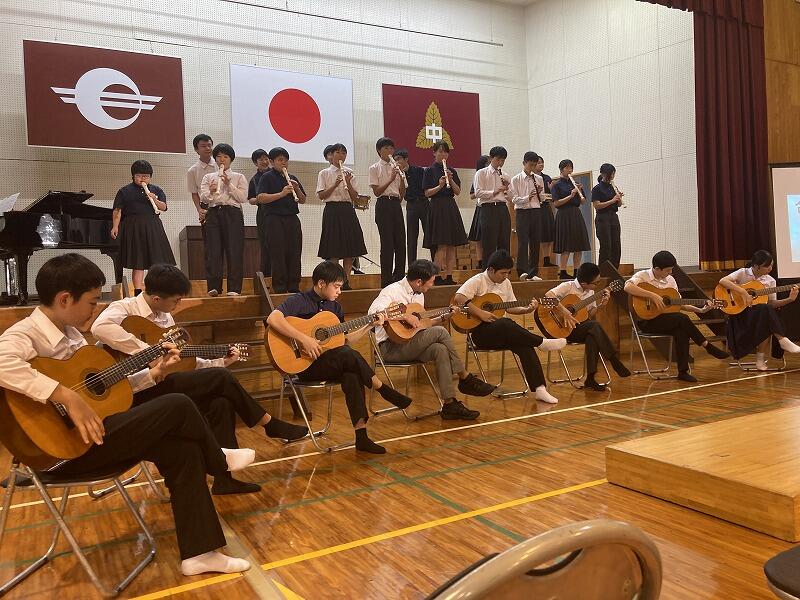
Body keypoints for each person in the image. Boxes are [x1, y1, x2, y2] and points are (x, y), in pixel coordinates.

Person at [0, 254, 253, 576]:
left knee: (182, 449)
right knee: (177, 404)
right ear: (65, 299)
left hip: (96, 434)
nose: (95, 310)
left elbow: (107, 390)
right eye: (92, 302)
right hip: (61, 451)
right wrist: (63, 394)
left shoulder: (73, 336)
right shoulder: (24, 334)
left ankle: (199, 553)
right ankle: (217, 459)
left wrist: (154, 373)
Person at [91, 263, 308, 494]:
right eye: (175, 301)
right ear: (156, 298)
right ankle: (268, 423)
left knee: (221, 402)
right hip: (133, 391)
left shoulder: (165, 317)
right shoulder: (125, 307)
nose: (177, 306)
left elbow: (182, 361)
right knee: (221, 378)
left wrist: (222, 361)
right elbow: (100, 327)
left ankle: (224, 480)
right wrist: (147, 352)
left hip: (163, 384)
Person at [266, 261, 414, 454]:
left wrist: (370, 325)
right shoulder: (299, 300)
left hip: (330, 363)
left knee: (351, 373)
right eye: (336, 287)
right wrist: (304, 339)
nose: (339, 292)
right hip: (304, 365)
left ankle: (361, 437)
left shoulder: (335, 308)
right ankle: (382, 389)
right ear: (321, 283)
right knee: (347, 356)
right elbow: (273, 318)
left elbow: (346, 340)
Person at [367, 259, 496, 419]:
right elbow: (373, 313)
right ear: (419, 282)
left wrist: (443, 317)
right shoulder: (392, 291)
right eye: (431, 282)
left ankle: (449, 404)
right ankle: (465, 377)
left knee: (439, 349)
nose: (432, 285)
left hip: (410, 343)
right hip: (390, 348)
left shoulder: (419, 296)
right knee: (440, 332)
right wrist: (405, 316)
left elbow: (421, 325)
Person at [454, 250, 564, 404]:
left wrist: (526, 310)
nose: (506, 276)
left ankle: (540, 389)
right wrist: (480, 313)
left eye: (508, 273)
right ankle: (541, 342)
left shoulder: (506, 283)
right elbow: (459, 297)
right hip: (480, 334)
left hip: (502, 332)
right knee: (505, 323)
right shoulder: (477, 280)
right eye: (502, 273)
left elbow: (510, 307)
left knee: (525, 345)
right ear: (491, 270)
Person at [624, 250, 730, 382]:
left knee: (681, 331)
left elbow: (679, 303)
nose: (670, 272)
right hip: (646, 321)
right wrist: (652, 295)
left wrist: (701, 310)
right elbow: (627, 287)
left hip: (666, 320)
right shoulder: (643, 276)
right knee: (682, 318)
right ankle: (707, 345)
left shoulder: (670, 280)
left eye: (671, 269)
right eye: (667, 270)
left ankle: (683, 372)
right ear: (657, 269)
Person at [545, 262, 631, 391]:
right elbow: (548, 295)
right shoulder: (567, 286)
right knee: (594, 327)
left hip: (578, 328)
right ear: (584, 283)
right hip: (561, 328)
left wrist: (601, 305)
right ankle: (613, 359)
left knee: (592, 335)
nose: (597, 285)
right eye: (596, 283)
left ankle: (590, 378)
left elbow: (589, 315)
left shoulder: (591, 292)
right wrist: (565, 312)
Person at [718, 249, 800, 370]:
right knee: (765, 312)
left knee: (765, 311)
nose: (770, 269)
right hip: (740, 315)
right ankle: (781, 340)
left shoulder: (770, 280)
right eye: (767, 266)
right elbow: (722, 281)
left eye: (772, 265)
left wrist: (790, 299)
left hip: (759, 315)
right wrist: (743, 292)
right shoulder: (743, 273)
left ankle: (762, 358)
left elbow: (771, 304)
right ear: (756, 266)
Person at [111, 160, 175, 296]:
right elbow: (117, 210)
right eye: (139, 176)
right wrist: (115, 226)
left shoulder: (156, 190)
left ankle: (155, 290)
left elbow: (164, 207)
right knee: (138, 262)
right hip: (133, 227)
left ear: (150, 177)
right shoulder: (124, 191)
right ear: (133, 176)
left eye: (146, 176)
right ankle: (138, 292)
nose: (142, 179)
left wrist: (154, 199)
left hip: (153, 226)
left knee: (156, 261)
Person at [254, 147, 306, 293]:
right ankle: (280, 287)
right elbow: (261, 198)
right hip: (274, 219)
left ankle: (294, 285)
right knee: (278, 253)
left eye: (286, 160)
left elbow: (303, 200)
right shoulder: (267, 177)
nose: (284, 163)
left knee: (295, 252)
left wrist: (297, 189)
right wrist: (282, 194)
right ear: (272, 162)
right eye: (280, 160)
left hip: (292, 219)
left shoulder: (292, 177)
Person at [317, 143, 367, 290]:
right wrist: (335, 183)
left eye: (344, 153)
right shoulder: (324, 173)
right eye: (338, 152)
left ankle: (345, 281)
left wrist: (348, 183)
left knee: (350, 250)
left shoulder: (350, 172)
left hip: (347, 210)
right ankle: (334, 282)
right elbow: (321, 195)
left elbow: (355, 197)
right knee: (334, 249)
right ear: (331, 155)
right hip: (332, 210)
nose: (341, 155)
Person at [200, 144, 247, 297]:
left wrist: (229, 184)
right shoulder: (208, 177)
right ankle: (214, 286)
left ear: (231, 159)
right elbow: (203, 198)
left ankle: (234, 288)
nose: (222, 159)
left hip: (233, 213)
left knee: (234, 250)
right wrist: (211, 191)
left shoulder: (239, 177)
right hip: (213, 212)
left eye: (225, 156)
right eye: (219, 156)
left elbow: (243, 198)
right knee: (213, 251)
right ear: (215, 158)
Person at [422, 142, 468, 286]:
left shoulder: (451, 170)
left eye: (445, 152)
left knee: (452, 245)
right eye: (440, 151)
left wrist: (450, 179)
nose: (443, 154)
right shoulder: (429, 171)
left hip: (450, 206)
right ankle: (435, 277)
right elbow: (427, 193)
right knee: (441, 245)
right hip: (437, 206)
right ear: (434, 153)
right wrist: (440, 185)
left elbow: (458, 191)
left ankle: (449, 275)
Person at [369, 137, 406, 287]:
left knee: (400, 243)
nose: (390, 151)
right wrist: (391, 178)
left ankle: (399, 277)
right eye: (386, 148)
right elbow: (377, 192)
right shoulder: (374, 168)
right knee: (387, 244)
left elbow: (402, 194)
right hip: (383, 204)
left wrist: (401, 178)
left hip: (396, 204)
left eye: (391, 148)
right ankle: (386, 280)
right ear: (379, 150)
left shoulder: (396, 167)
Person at [551, 159, 591, 280]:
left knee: (578, 244)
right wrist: (571, 195)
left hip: (575, 214)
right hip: (563, 214)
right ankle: (563, 271)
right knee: (566, 245)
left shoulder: (575, 183)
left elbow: (583, 201)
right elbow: (556, 203)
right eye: (567, 168)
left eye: (571, 168)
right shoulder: (556, 185)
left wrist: (579, 192)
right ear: (561, 169)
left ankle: (576, 271)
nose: (569, 170)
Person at [474, 146, 512, 267]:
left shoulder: (505, 175)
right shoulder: (481, 173)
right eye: (498, 159)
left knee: (504, 242)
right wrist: (494, 192)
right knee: (489, 244)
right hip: (488, 209)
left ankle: (504, 271)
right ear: (491, 158)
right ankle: (487, 272)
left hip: (502, 208)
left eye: (503, 160)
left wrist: (507, 187)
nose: (500, 163)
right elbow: (477, 193)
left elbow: (511, 197)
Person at [510, 151, 545, 281]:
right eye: (530, 165)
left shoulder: (539, 178)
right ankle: (522, 271)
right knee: (523, 242)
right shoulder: (516, 179)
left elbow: (542, 199)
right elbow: (514, 199)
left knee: (536, 242)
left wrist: (539, 193)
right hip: (522, 212)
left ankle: (533, 272)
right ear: (524, 163)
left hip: (536, 211)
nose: (532, 168)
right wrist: (527, 197)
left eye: (534, 165)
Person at [393, 149, 431, 263]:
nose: (397, 162)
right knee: (411, 237)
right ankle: (411, 267)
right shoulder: (396, 174)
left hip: (424, 203)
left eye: (398, 159)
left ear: (406, 159)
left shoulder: (419, 170)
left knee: (430, 235)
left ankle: (435, 265)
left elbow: (426, 187)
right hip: (411, 205)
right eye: (395, 160)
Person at [591, 163, 623, 268]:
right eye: (611, 173)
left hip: (613, 217)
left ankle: (615, 270)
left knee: (616, 245)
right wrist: (612, 200)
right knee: (606, 245)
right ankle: (604, 271)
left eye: (613, 173)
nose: (612, 176)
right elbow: (597, 205)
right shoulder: (597, 189)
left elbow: (619, 204)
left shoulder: (613, 187)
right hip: (602, 218)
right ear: (604, 174)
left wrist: (619, 198)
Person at [248, 149, 271, 277]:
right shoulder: (254, 179)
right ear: (255, 163)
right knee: (265, 245)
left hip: (278, 212)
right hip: (263, 213)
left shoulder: (276, 174)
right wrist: (260, 199)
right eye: (261, 159)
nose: (264, 161)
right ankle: (266, 276)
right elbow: (250, 199)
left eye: (266, 158)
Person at [533, 155, 557, 269]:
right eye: (539, 163)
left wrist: (552, 189)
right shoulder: (531, 177)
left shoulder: (547, 178)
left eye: (542, 162)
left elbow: (553, 196)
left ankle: (546, 260)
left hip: (546, 207)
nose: (541, 164)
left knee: (548, 234)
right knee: (539, 235)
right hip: (535, 207)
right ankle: (535, 261)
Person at [187, 133, 216, 226]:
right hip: (206, 205)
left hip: (223, 203)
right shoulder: (192, 170)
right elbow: (194, 193)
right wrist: (199, 209)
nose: (208, 148)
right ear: (196, 149)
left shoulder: (220, 165)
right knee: (209, 233)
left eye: (209, 145)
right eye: (203, 146)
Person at [468, 155, 489, 269]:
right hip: (480, 208)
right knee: (478, 238)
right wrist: (482, 191)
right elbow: (472, 195)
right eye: (487, 162)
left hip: (491, 208)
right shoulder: (478, 176)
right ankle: (480, 261)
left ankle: (489, 260)